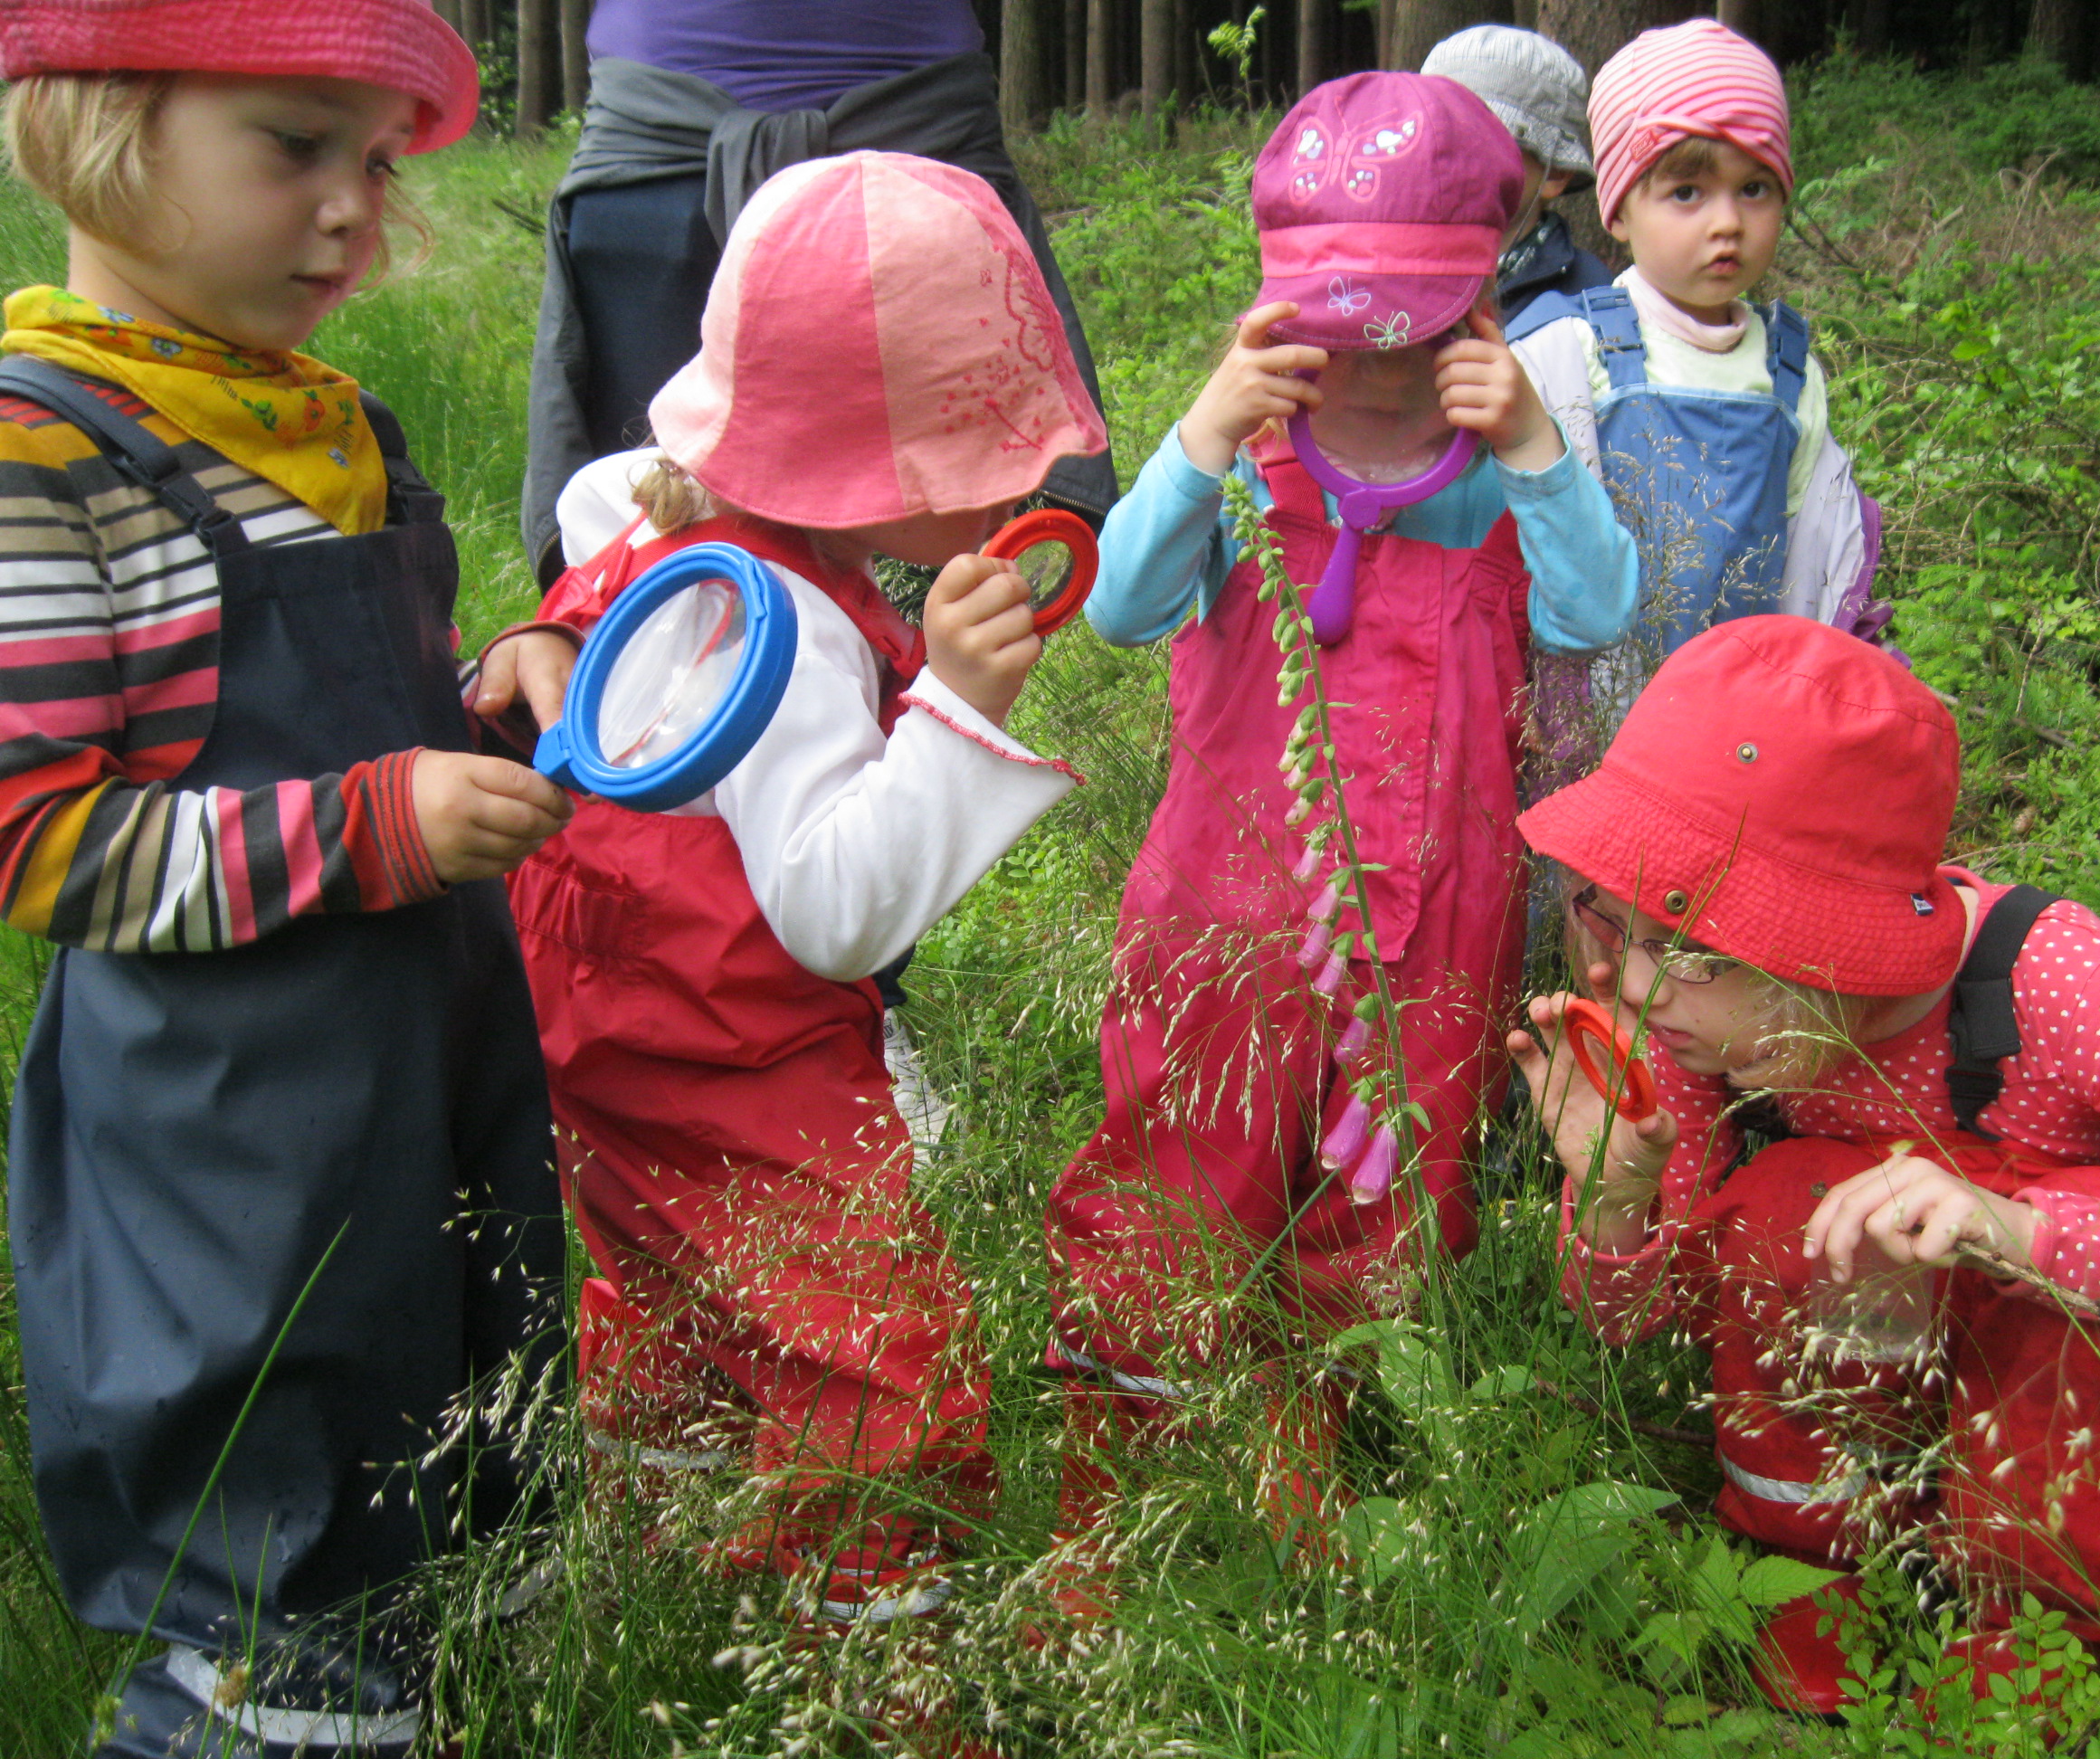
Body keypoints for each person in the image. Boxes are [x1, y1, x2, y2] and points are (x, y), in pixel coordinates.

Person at [0, 4, 575, 1753]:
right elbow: (38, 833)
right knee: (273, 1598)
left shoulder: (337, 422)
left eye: (377, 164)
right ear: (100, 128)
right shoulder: (47, 449)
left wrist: (508, 668)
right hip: (229, 1148)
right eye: (293, 145)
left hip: (428, 1072)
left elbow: (376, 704)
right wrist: (375, 824)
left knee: (450, 1488)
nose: (354, 211)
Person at [1507, 617, 2100, 1716]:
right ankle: (1819, 1595)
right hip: (1884, 1337)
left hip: (2054, 1352)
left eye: (1698, 950)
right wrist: (1614, 1203)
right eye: (1613, 922)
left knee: (2063, 1325)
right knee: (1774, 1210)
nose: (1643, 986)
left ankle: (2035, 1644)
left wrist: (2018, 1234)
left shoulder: (2054, 981)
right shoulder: (1699, 1024)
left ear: (1837, 940)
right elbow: (1642, 1314)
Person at [1042, 71, 1639, 1583]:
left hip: (1432, 928)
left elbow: (1596, 609)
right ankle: (1113, 1471)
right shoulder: (1247, 452)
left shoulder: (1502, 468)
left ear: (1484, 296)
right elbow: (1117, 606)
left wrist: (1531, 451)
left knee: (1390, 1187)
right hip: (1220, 920)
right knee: (1176, 1169)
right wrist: (1195, 438)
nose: (1375, 362)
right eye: (1342, 323)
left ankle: (1298, 1435)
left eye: (1414, 325)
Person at [508, 151, 1107, 1637]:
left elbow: (586, 510)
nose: (1013, 491)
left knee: (669, 1283)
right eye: (975, 463)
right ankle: (877, 1654)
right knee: (873, 1352)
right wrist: (955, 704)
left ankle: (663, 1549)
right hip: (731, 1049)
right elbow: (836, 908)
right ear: (866, 472)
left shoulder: (648, 514)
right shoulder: (782, 642)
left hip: (599, 1027)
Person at [522, 0, 1117, 588]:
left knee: (674, 540)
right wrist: (954, 689)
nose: (1003, 503)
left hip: (906, 144)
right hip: (672, 148)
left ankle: (897, 658)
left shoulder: (596, 498)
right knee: (665, 560)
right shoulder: (603, 500)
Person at [1506, 19, 1887, 780]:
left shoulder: (1791, 375)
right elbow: (1517, 539)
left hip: (1740, 730)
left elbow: (1815, 555)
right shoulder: (1566, 351)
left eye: (1754, 189)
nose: (1726, 223)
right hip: (1589, 717)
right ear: (1617, 210)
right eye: (1686, 191)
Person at [1421, 24, 1614, 326]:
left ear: (1555, 172)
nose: (1448, 157)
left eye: (1479, 140)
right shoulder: (1379, 269)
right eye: (1435, 136)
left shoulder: (1588, 301)